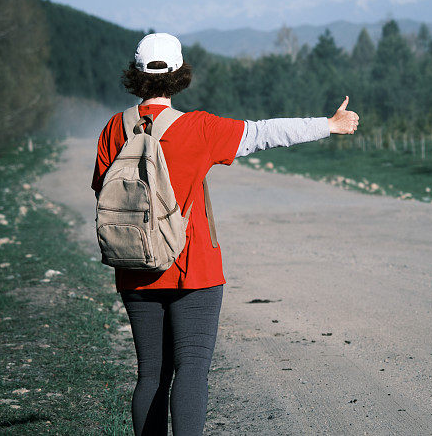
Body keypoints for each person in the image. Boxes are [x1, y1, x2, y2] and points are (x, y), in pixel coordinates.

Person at [91, 32, 359, 435]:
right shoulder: (199, 128)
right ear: (180, 74)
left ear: (137, 73)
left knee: (151, 375)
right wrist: (329, 125)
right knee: (192, 371)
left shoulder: (114, 129)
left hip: (135, 267)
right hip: (192, 270)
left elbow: (104, 192)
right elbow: (265, 133)